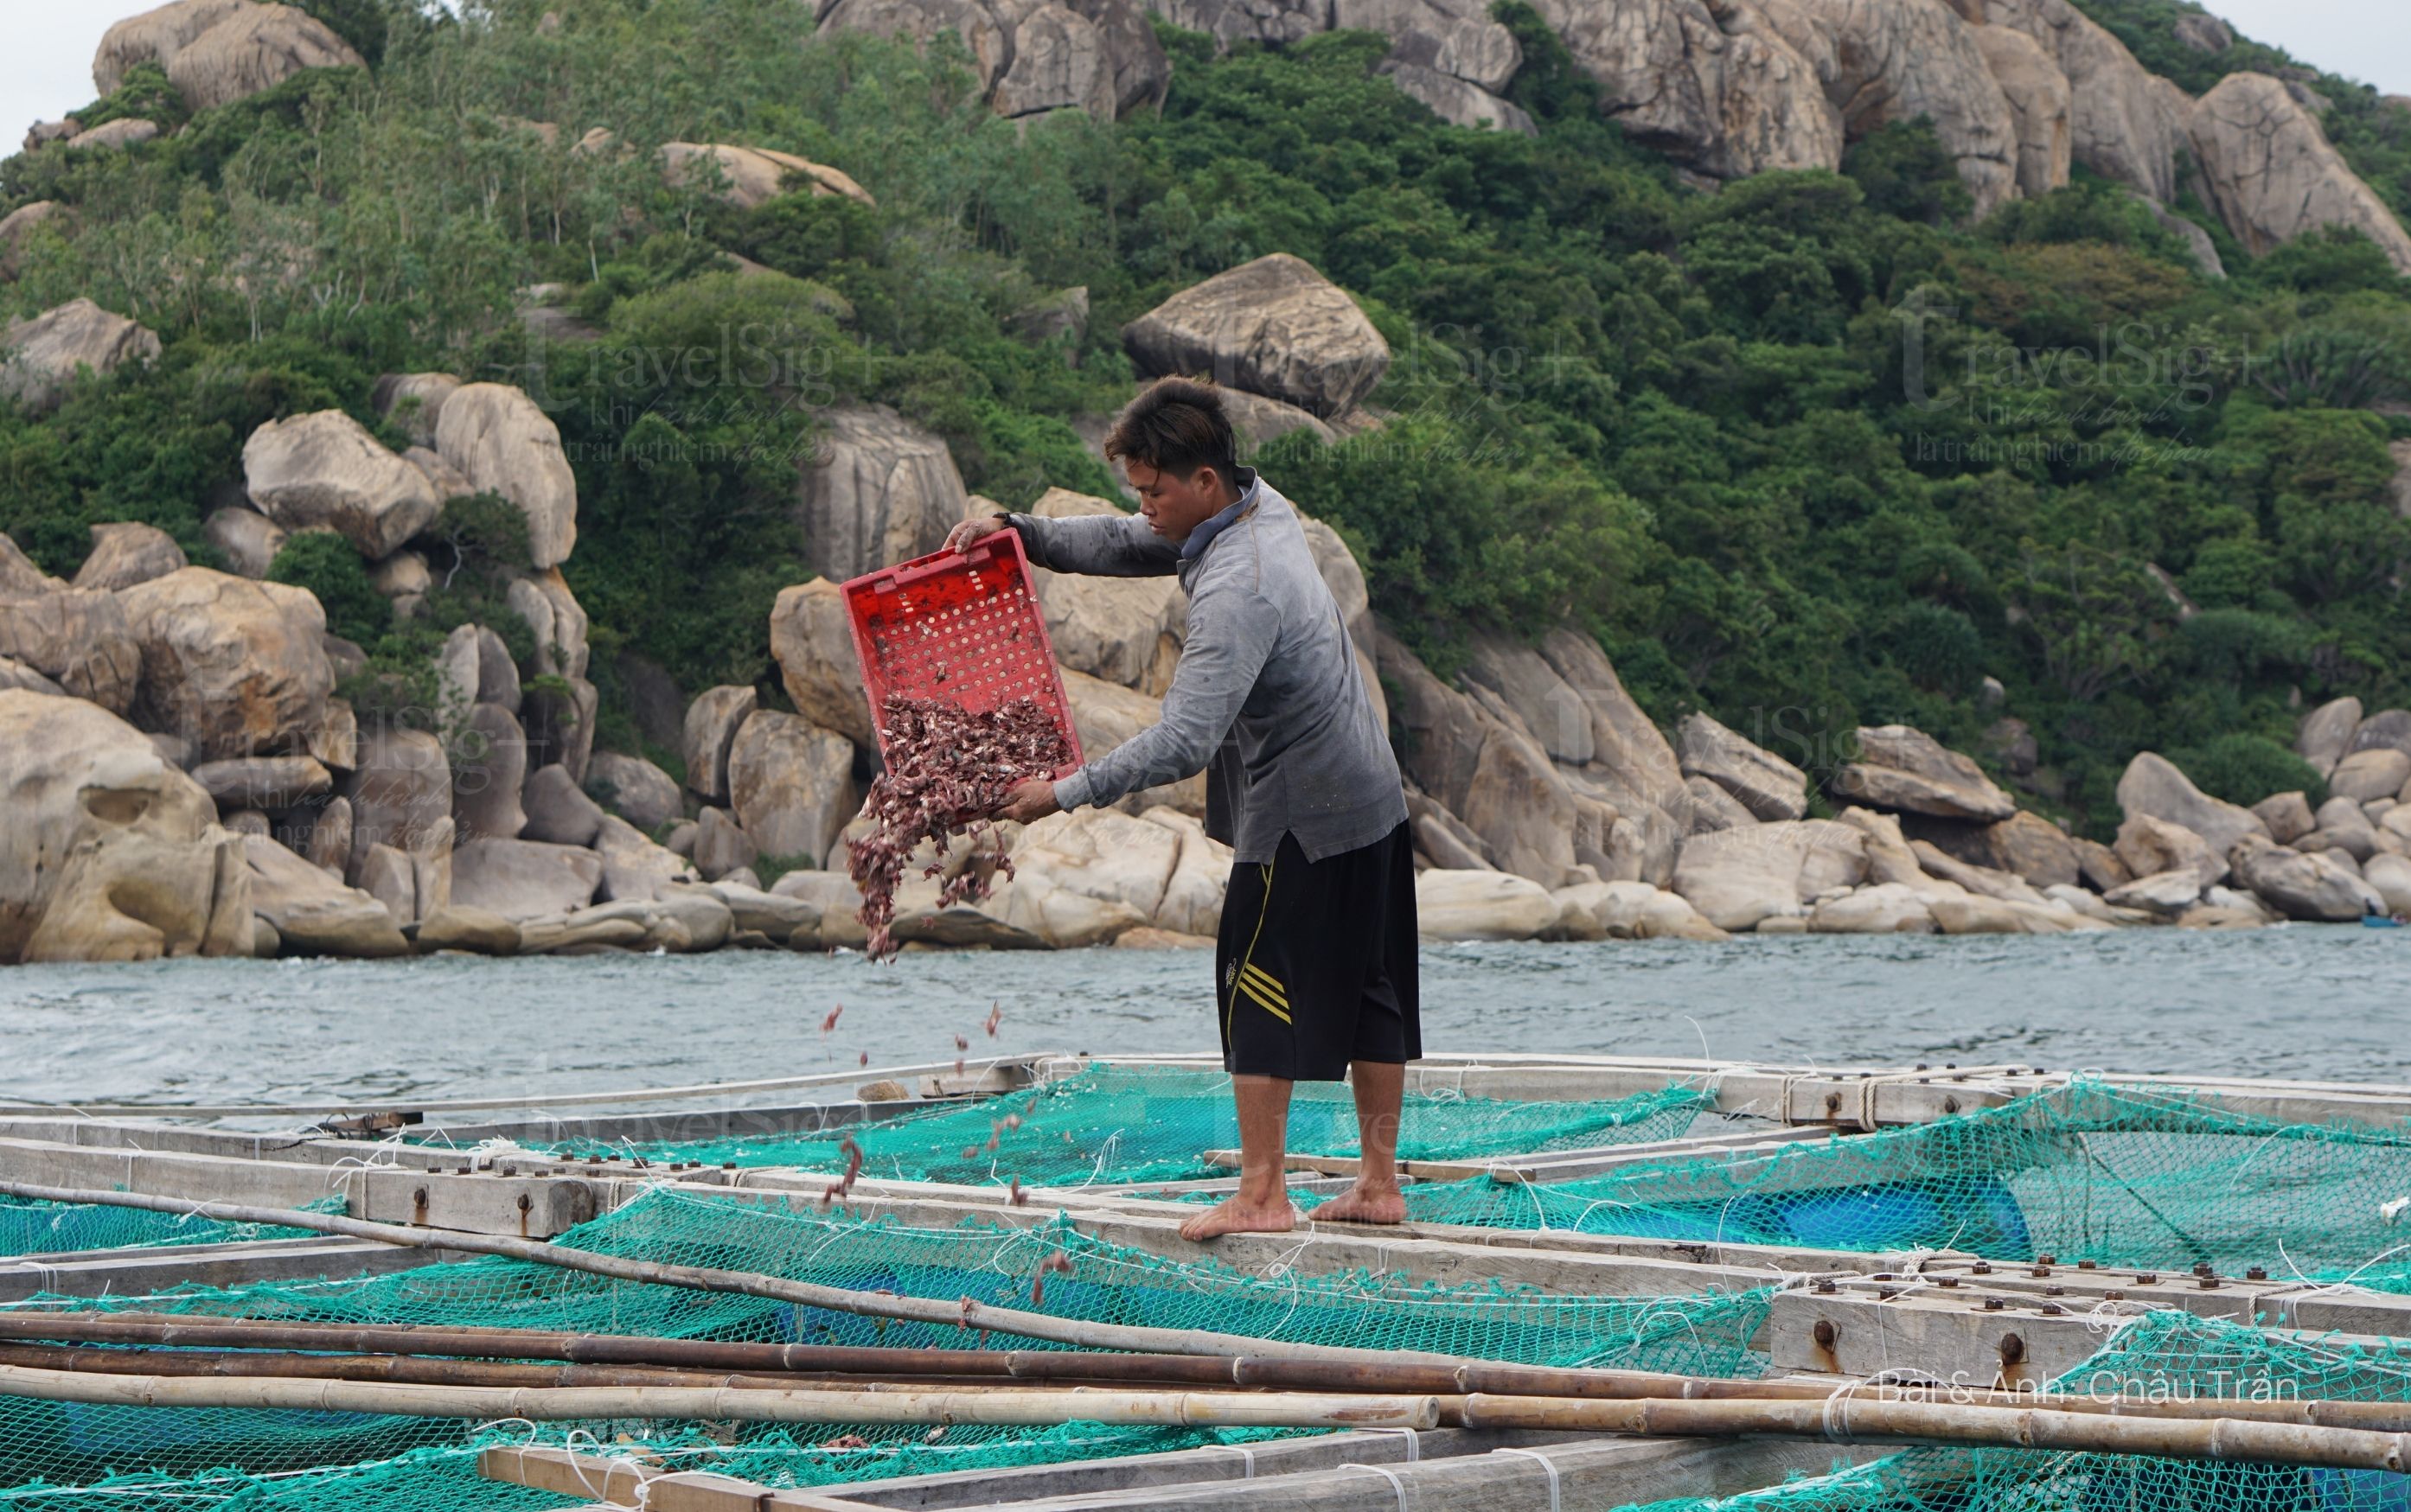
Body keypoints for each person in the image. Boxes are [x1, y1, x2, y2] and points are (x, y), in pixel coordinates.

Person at [943, 376, 1417, 1241]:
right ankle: (1379, 1186)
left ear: (1203, 480)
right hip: (1369, 791)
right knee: (1370, 988)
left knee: (1255, 989)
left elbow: (1186, 740)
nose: (1145, 508)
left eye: (1155, 490)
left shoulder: (1240, 586)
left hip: (1305, 809)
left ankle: (1263, 1195)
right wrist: (1025, 534)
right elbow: (1131, 542)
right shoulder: (1256, 508)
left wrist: (1058, 794)